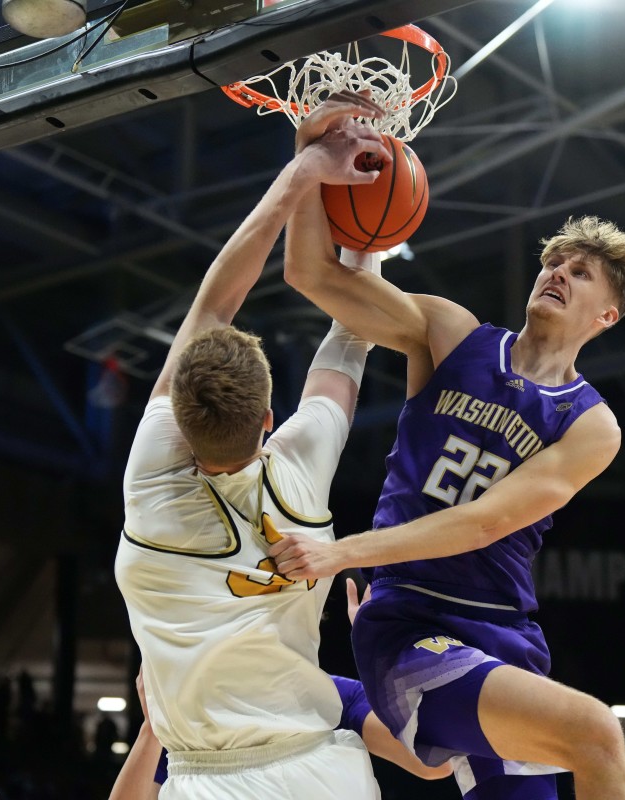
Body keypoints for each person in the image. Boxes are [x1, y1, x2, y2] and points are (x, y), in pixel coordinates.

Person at [269, 92, 625, 800]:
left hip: (506, 635)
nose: (557, 272)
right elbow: (313, 276)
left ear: (606, 314)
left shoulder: (591, 423)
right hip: (410, 624)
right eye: (554, 260)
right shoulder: (452, 335)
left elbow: (487, 521)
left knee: (577, 751)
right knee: (595, 731)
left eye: (579, 270)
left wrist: (342, 553)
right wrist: (310, 162)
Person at [113, 91, 396, 800]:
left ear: (177, 417)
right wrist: (362, 239)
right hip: (321, 771)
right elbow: (350, 339)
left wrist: (306, 170)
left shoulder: (151, 490)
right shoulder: (297, 475)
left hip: (205, 779)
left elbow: (212, 306)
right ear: (269, 419)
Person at [108, 583, 451, 800]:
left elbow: (433, 766)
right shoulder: (193, 719)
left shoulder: (333, 696)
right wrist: (155, 726)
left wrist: (383, 656)